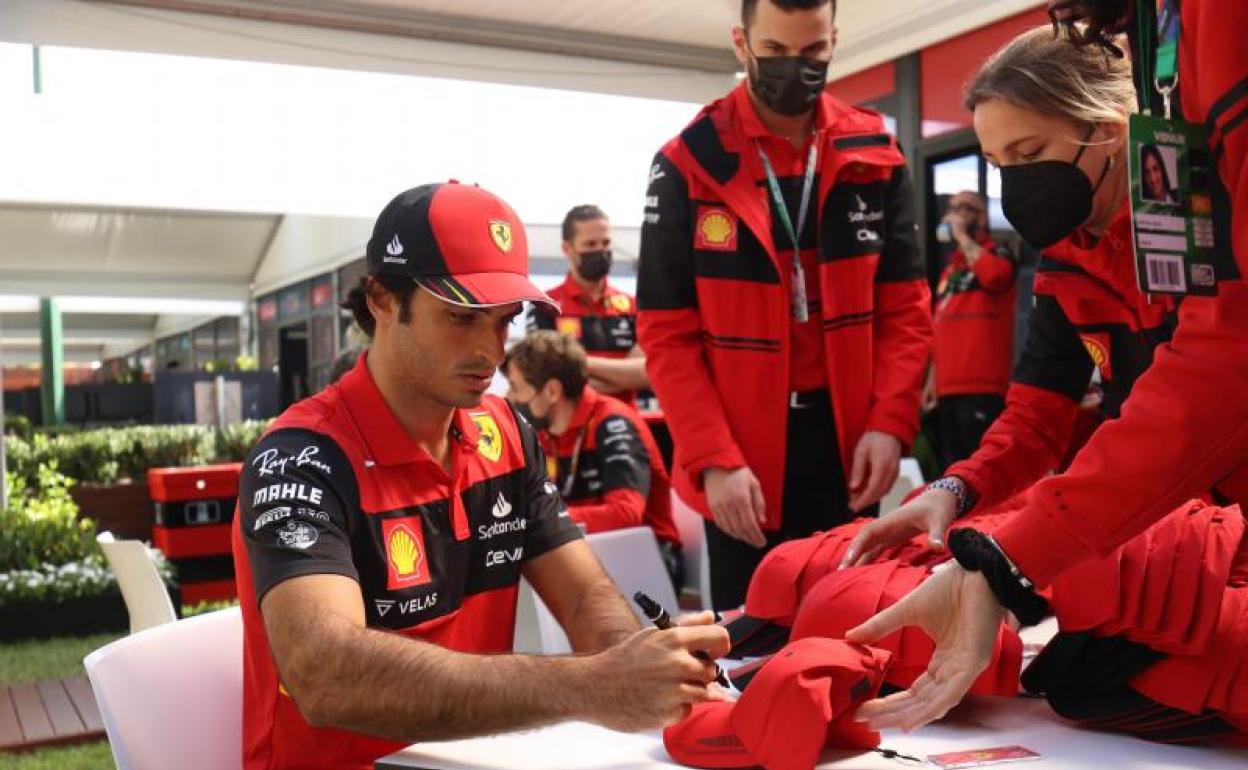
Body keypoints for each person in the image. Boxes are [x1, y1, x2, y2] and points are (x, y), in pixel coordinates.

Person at [231, 182, 728, 770]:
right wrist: (591, 684)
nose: (491, 352)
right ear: (382, 301)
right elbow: (326, 675)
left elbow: (586, 596)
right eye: (461, 318)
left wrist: (639, 663)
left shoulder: (505, 432)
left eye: (503, 321)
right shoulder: (298, 459)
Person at [848, 4, 1248, 730]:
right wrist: (954, 489)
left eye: (1029, 154)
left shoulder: (1210, 206)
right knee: (1081, 680)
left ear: (1108, 128)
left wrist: (1009, 561)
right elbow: (1036, 414)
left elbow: (1215, 376)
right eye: (1000, 165)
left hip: (1222, 537)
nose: (1014, 187)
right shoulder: (1064, 259)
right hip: (1171, 540)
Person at [637, 0, 931, 610]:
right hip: (741, 457)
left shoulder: (875, 151)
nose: (792, 68)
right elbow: (667, 334)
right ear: (741, 42)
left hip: (849, 446)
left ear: (833, 41)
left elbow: (906, 309)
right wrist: (714, 459)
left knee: (851, 622)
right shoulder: (687, 163)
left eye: (812, 52)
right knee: (755, 637)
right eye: (774, 52)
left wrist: (889, 421)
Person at [503, 330, 684, 588]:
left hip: (647, 560)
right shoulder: (541, 434)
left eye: (515, 387)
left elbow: (626, 513)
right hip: (584, 555)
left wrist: (543, 521)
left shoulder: (613, 422)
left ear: (553, 391)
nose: (509, 398)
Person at [928, 191, 1016, 468]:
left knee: (978, 468)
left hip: (982, 386)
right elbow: (937, 325)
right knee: (950, 469)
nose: (958, 214)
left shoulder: (998, 253)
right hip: (947, 388)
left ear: (983, 216)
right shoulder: (950, 269)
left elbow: (995, 276)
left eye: (968, 209)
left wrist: (964, 237)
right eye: (954, 208)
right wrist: (932, 381)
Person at [528, 204, 649, 404]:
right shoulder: (546, 306)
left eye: (606, 243)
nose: (600, 250)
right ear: (567, 248)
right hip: (567, 429)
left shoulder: (633, 306)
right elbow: (547, 378)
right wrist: (623, 375)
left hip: (626, 424)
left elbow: (648, 373)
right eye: (591, 244)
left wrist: (579, 364)